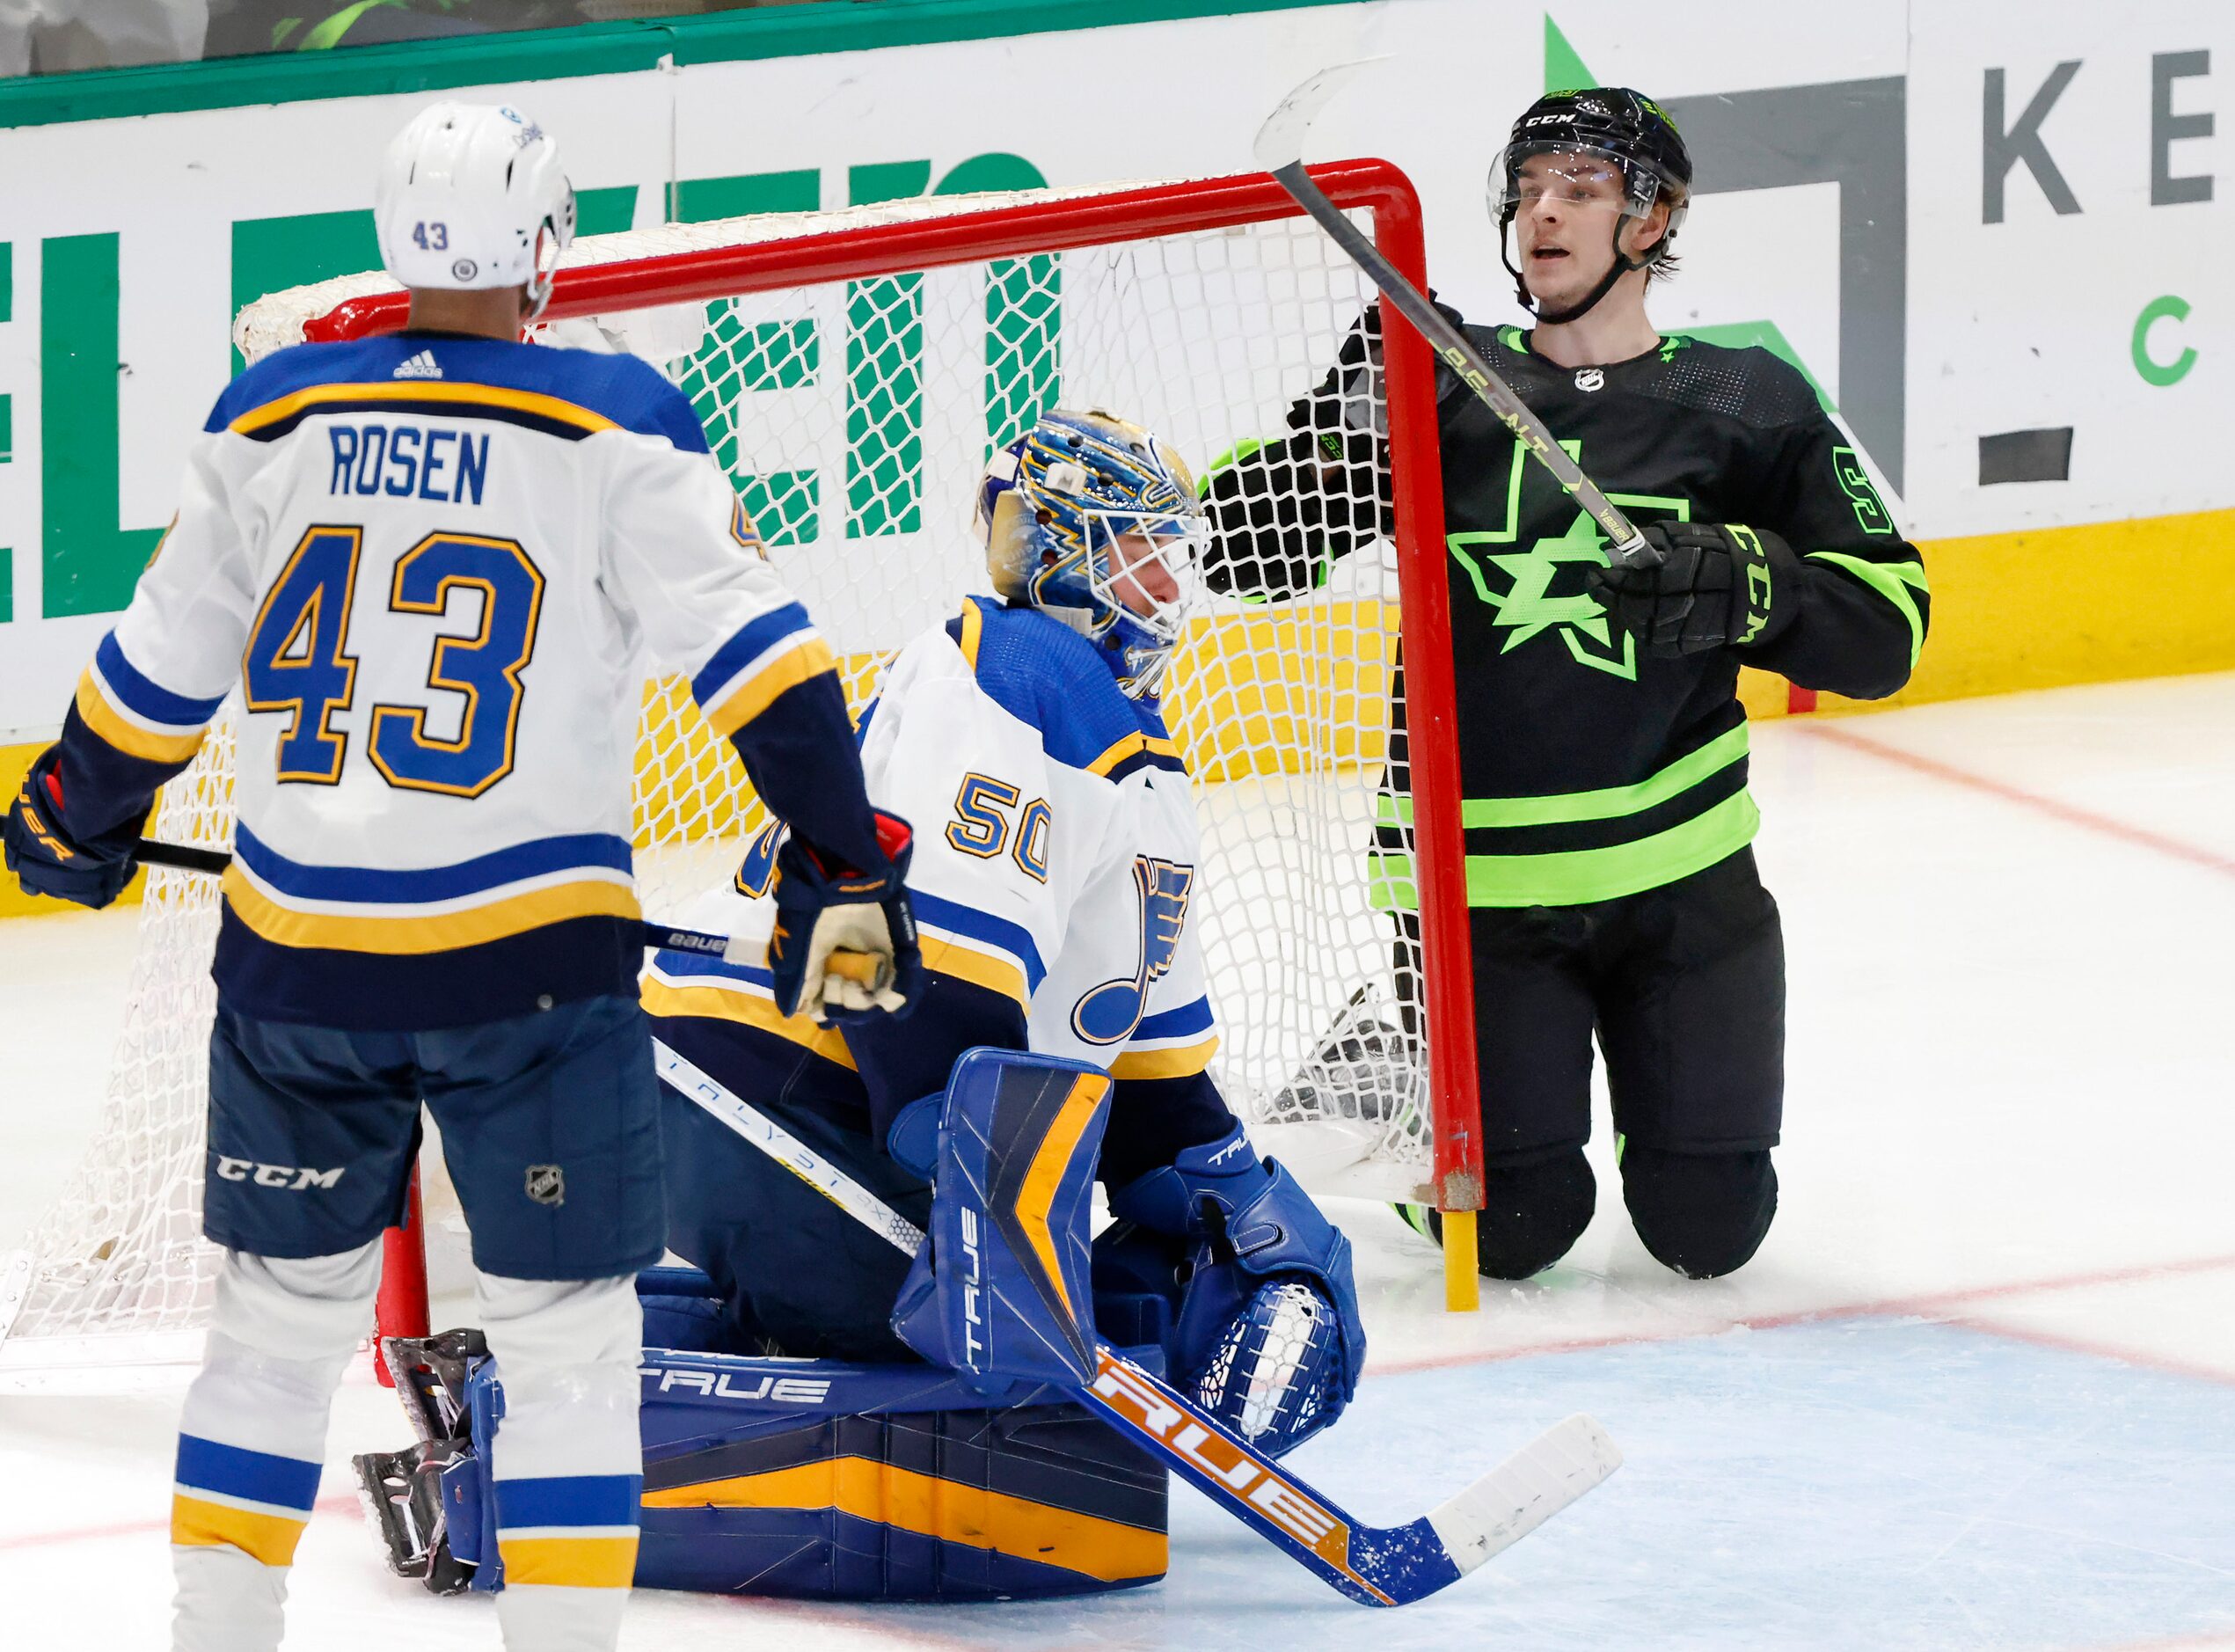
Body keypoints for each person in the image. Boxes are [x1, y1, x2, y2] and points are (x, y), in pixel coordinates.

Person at [1, 101, 916, 1652]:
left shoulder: (272, 407)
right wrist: (840, 862)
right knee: (563, 1342)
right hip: (529, 980)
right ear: (545, 247)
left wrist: (65, 820)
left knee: (273, 1335)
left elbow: (158, 673)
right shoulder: (618, 421)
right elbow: (767, 667)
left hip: (294, 971)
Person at [358, 410, 1367, 1604]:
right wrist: (977, 1201)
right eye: (1135, 554)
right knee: (1031, 1448)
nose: (1165, 590)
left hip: (784, 1108)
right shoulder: (1012, 670)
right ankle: (503, 1468)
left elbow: (1156, 1096)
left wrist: (1254, 1236)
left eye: (1170, 555)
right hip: (776, 1095)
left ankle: (536, 1371)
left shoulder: (1136, 765)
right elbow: (911, 981)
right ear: (1057, 552)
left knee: (1133, 1314)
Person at [1201, 88, 1929, 1283]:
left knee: (1709, 1228)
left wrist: (1753, 583)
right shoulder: (1437, 383)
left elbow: (1889, 631)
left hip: (1684, 886)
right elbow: (1238, 554)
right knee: (1515, 1231)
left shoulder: (1746, 398)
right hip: (1476, 890)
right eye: (1530, 186)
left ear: (1651, 224)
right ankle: (1382, 1083)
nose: (1543, 211)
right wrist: (1330, 435)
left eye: (1581, 190)